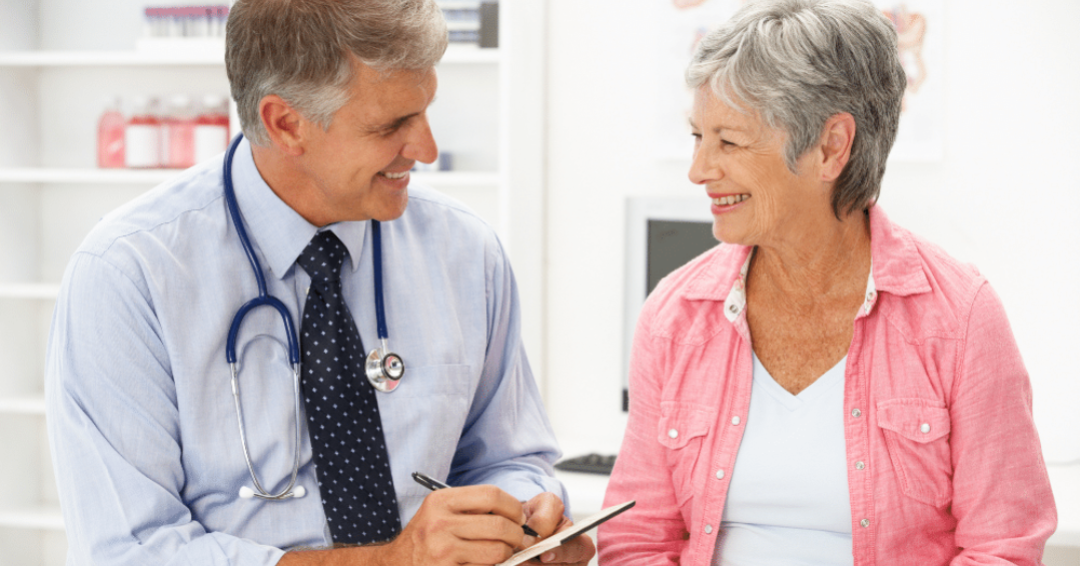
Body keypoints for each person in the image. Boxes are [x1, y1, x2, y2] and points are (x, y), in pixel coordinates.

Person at [44, 1, 594, 565]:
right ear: (287, 124)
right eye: (391, 126)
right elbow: (132, 551)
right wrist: (395, 560)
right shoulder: (128, 276)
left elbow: (507, 457)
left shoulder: (465, 252)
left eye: (425, 111)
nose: (425, 149)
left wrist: (529, 516)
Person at [598, 0, 1057, 564]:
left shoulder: (960, 317)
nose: (699, 169)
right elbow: (638, 538)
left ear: (831, 146)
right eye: (697, 136)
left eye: (730, 141)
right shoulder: (675, 313)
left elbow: (1002, 546)